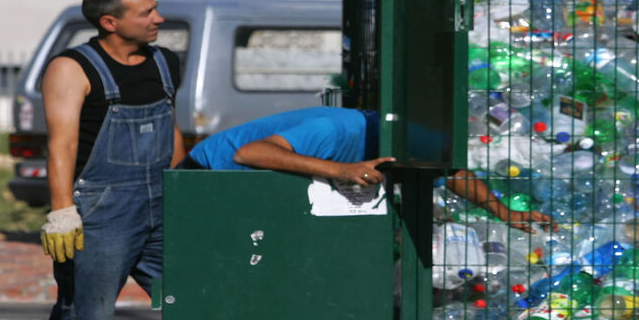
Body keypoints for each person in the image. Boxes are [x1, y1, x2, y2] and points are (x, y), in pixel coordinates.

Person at [40, 0, 185, 320]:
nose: (159, 18)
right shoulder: (71, 68)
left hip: (162, 200)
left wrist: (186, 192)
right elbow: (62, 143)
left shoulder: (164, 62)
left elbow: (171, 129)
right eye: (147, 13)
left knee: (196, 299)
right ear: (110, 22)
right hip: (101, 212)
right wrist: (61, 211)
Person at [181, 106, 554, 231]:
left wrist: (504, 212)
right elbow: (249, 154)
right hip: (209, 178)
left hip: (254, 191)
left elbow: (453, 173)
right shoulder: (336, 131)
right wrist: (340, 171)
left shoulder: (407, 145)